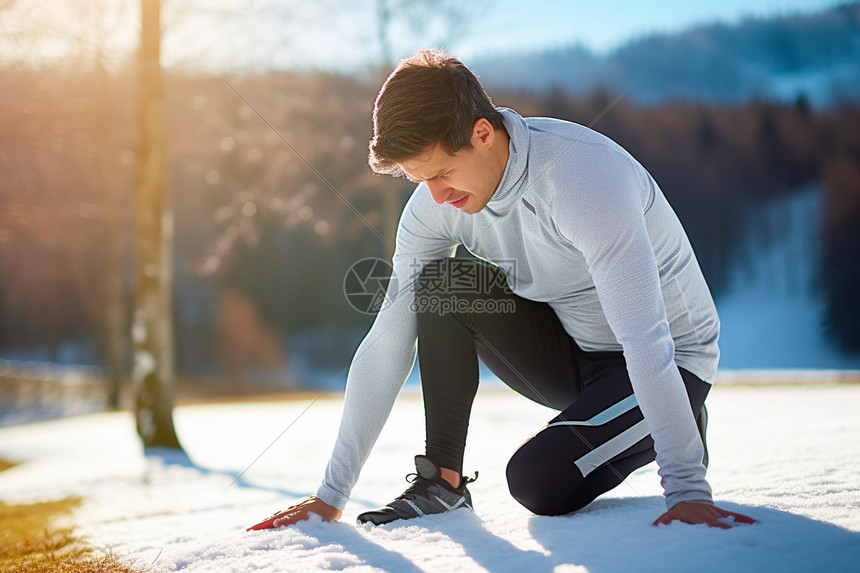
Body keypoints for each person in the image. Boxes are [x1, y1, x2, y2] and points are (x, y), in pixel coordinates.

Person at [248, 49, 755, 531]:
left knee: (537, 481)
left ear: (483, 133)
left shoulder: (583, 178)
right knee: (442, 285)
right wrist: (330, 496)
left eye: (443, 173)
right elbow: (388, 341)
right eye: (419, 180)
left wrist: (687, 490)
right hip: (573, 356)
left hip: (669, 360)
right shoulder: (436, 208)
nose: (438, 196)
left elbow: (646, 337)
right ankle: (441, 485)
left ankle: (680, 418)